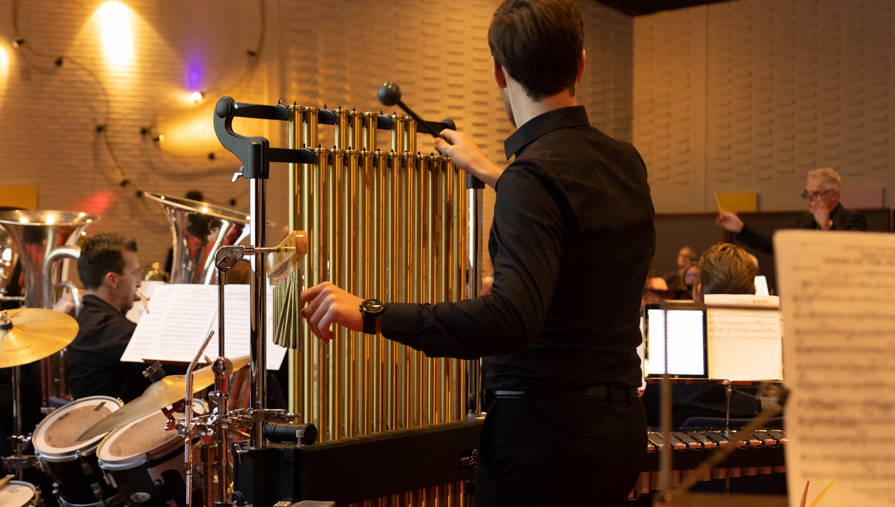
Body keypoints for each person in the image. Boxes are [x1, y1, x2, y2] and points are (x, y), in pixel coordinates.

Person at [300, 1, 655, 504]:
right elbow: (573, 215)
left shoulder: (532, 177)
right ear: (580, 64)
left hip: (544, 442)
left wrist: (373, 313)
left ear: (498, 72)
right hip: (620, 433)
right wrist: (497, 173)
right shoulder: (624, 162)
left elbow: (510, 320)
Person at [66, 233, 150, 402]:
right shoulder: (104, 326)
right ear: (112, 280)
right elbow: (176, 365)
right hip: (113, 427)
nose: (139, 282)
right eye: (135, 273)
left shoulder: (88, 317)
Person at [715, 167, 867, 254]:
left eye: (815, 194)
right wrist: (740, 228)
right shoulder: (806, 220)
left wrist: (827, 226)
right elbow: (775, 245)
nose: (809, 200)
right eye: (807, 194)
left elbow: (851, 253)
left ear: (834, 194)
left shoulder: (853, 220)